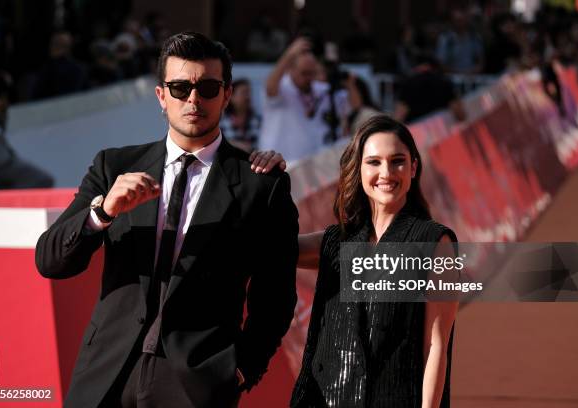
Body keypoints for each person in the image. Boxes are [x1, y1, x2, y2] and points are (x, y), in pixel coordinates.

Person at [35, 32, 298, 408]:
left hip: (197, 383)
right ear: (161, 96)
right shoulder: (114, 166)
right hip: (106, 374)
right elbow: (50, 261)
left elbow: (275, 297)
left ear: (226, 94)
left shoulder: (261, 184)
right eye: (180, 87)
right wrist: (102, 212)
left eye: (208, 87)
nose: (193, 99)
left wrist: (240, 371)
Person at [290, 114, 458, 407]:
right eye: (374, 162)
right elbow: (277, 249)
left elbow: (435, 346)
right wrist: (266, 177)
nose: (386, 172)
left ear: (414, 167)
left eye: (398, 161)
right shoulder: (338, 241)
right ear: (359, 167)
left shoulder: (435, 243)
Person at [258, 37, 349, 162]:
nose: (309, 78)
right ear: (290, 69)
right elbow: (270, 88)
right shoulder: (282, 88)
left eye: (312, 73)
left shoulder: (320, 91)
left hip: (308, 168)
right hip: (275, 165)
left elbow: (349, 105)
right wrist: (288, 55)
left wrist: (350, 82)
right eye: (304, 73)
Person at [220, 78, 261, 152]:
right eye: (244, 93)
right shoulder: (221, 121)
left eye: (249, 93)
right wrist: (236, 144)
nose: (248, 97)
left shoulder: (257, 120)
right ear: (231, 97)